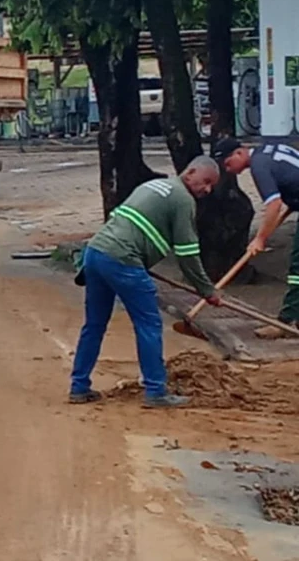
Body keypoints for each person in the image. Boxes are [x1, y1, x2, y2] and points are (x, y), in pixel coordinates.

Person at [70, 157, 222, 408]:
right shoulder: (183, 199)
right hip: (122, 258)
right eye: (205, 182)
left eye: (211, 186)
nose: (207, 189)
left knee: (94, 325)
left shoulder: (155, 185)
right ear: (190, 171)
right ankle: (155, 391)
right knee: (149, 323)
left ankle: (79, 386)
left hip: (96, 253)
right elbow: (187, 253)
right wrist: (207, 290)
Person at [216, 138, 299, 339]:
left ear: (240, 153)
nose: (228, 170)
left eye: (228, 163)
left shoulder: (259, 166)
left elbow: (273, 204)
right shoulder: (271, 150)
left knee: (297, 268)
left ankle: (287, 321)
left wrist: (260, 238)